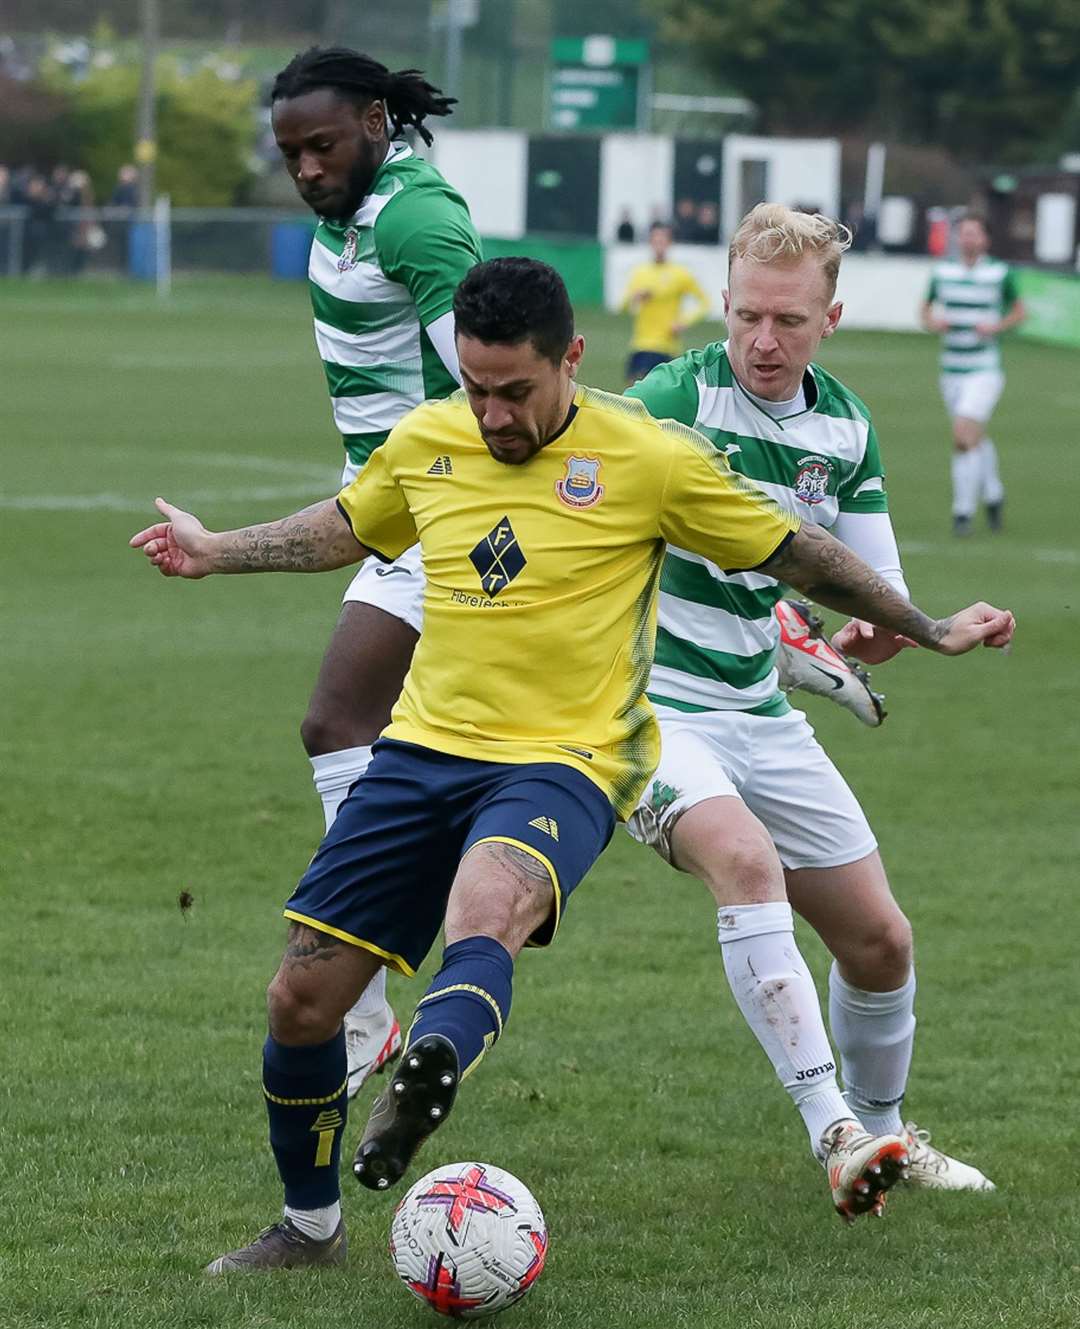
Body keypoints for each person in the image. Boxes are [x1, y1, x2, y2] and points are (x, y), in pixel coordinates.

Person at [132, 257, 1014, 1269]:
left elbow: (797, 555)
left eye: (516, 391)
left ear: (572, 360)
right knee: (301, 998)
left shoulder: (647, 455)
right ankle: (310, 1227)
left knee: (485, 909)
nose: (496, 416)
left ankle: (430, 1069)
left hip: (569, 758)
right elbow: (344, 527)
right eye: (477, 389)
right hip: (422, 749)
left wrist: (927, 625)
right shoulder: (430, 441)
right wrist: (216, 549)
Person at [625, 203, 1005, 1219]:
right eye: (748, 314)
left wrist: (897, 631)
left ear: (829, 317)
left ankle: (884, 1134)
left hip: (760, 709)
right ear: (726, 301)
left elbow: (875, 592)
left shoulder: (844, 425)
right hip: (651, 712)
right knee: (745, 865)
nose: (763, 339)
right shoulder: (668, 401)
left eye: (788, 322)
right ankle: (832, 1129)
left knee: (881, 943)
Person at [270, 46, 483, 1095]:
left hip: (447, 520)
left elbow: (491, 381)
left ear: (372, 121)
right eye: (290, 154)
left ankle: (367, 1001)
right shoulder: (346, 211)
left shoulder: (416, 220)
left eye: (321, 145)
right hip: (394, 514)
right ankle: (367, 1006)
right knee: (343, 728)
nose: (306, 168)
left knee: (354, 728)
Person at [920, 212, 1026, 535]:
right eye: (963, 233)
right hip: (951, 368)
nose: (968, 239)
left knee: (963, 436)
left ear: (985, 239)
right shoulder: (943, 272)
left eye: (974, 233)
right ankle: (993, 494)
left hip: (984, 368)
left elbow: (1020, 311)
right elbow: (925, 309)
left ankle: (962, 512)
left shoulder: (999, 273)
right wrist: (933, 322)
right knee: (974, 438)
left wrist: (996, 326)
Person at [620, 221, 709, 385]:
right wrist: (636, 297)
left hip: (667, 346)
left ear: (669, 243)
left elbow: (705, 303)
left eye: (663, 241)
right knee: (632, 395)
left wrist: (683, 322)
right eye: (655, 241)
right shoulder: (640, 272)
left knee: (659, 399)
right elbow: (622, 307)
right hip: (641, 343)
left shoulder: (680, 274)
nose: (659, 245)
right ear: (650, 243)